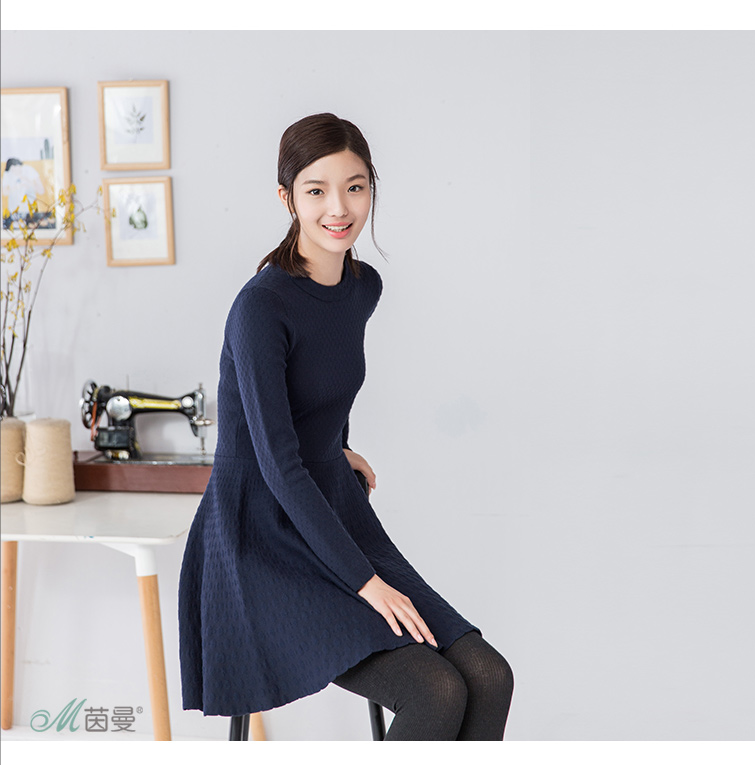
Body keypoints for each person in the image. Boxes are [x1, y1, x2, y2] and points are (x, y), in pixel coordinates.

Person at [177, 113, 514, 740]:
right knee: (436, 690)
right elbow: (277, 464)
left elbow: (326, 379)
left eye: (355, 187)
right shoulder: (260, 308)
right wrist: (367, 584)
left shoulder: (362, 288)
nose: (339, 207)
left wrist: (338, 445)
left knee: (490, 676)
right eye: (317, 190)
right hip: (260, 537)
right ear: (287, 199)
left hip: (329, 506)